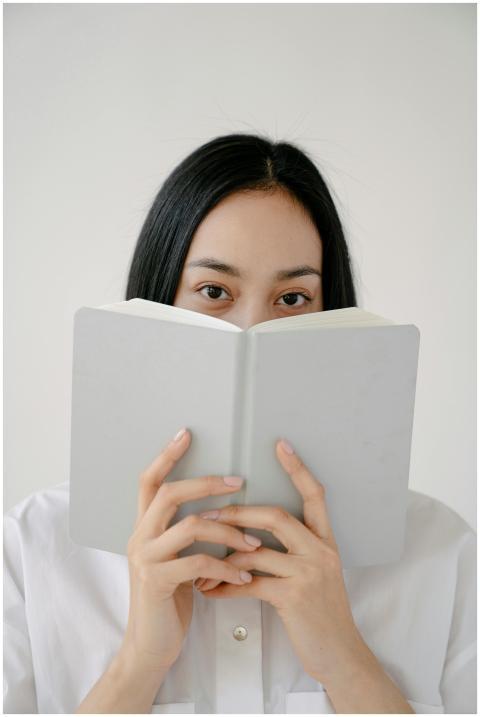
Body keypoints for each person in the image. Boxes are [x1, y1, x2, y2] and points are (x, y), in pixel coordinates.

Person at [4, 134, 476, 714]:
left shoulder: (439, 552)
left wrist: (345, 661)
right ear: (156, 302)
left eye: (294, 298)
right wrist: (138, 666)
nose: (252, 330)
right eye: (213, 291)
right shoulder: (32, 548)